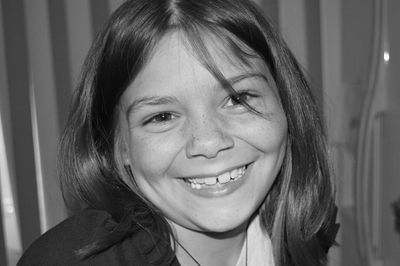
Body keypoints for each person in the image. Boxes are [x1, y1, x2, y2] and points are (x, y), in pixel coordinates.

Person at [18, 0, 339, 265]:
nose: (209, 143)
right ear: (118, 148)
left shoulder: (302, 237)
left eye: (238, 99)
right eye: (161, 116)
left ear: (286, 106)